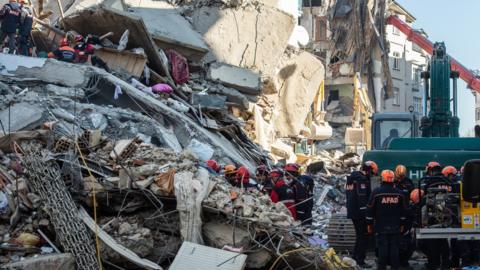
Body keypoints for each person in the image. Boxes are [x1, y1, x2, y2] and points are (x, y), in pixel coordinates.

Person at [367, 169, 407, 270]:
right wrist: (402, 224)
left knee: (382, 248)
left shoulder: (376, 193)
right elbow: (404, 211)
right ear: (393, 179)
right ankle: (394, 267)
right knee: (394, 248)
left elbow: (370, 210)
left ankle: (381, 268)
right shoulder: (400, 193)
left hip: (381, 226)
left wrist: (369, 224)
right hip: (396, 226)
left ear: (382, 179)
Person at [420, 161, 452, 270]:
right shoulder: (448, 181)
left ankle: (433, 264)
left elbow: (424, 199)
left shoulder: (428, 181)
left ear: (430, 170)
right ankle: (446, 264)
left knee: (432, 241)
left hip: (432, 216)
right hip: (448, 216)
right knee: (444, 241)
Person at [346, 160, 377, 267]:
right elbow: (362, 199)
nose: (371, 175)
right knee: (363, 237)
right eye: (372, 173)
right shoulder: (362, 180)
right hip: (360, 214)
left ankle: (355, 257)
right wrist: (367, 216)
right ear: (368, 170)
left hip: (353, 212)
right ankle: (360, 261)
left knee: (359, 236)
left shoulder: (351, 179)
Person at [394, 165, 415, 268]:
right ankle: (395, 260)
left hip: (407, 214)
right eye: (399, 175)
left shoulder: (409, 182)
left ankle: (404, 261)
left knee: (407, 239)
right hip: (394, 215)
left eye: (402, 176)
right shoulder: (391, 182)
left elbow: (414, 195)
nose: (401, 178)